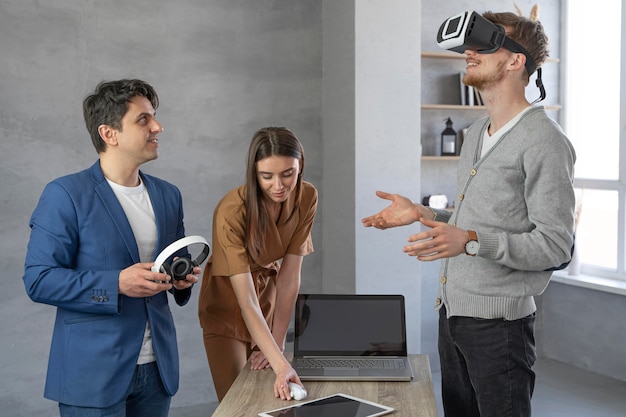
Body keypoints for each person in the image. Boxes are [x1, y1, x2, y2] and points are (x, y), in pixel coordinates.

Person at [362, 11, 576, 417]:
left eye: (485, 45)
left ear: (516, 61)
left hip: (500, 328)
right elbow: (472, 227)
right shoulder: (475, 134)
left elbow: (555, 246)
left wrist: (472, 242)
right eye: (469, 46)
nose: (470, 52)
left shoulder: (544, 140)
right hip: (453, 315)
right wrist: (424, 213)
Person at [23, 79, 200, 417]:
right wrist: (116, 283)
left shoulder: (168, 195)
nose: (158, 127)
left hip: (157, 371)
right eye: (143, 119)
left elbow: (172, 263)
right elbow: (39, 279)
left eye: (154, 117)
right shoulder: (65, 194)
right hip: (92, 373)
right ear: (109, 134)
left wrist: (180, 278)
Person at [198, 127, 318, 402]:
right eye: (267, 176)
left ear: (300, 166)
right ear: (254, 173)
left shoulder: (307, 196)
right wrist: (281, 365)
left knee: (274, 398)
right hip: (228, 304)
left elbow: (289, 277)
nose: (279, 186)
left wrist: (278, 342)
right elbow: (246, 300)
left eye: (288, 173)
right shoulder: (232, 211)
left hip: (268, 297)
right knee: (239, 401)